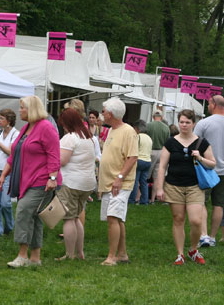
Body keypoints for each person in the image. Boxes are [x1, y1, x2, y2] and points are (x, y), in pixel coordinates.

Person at [0, 96, 60, 268]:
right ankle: (35, 258)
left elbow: (54, 155)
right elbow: (15, 153)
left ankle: (22, 255)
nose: (20, 110)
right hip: (27, 180)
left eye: (22, 107)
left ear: (32, 109)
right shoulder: (26, 128)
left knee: (23, 210)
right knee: (34, 216)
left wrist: (52, 178)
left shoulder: (46, 127)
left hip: (42, 181)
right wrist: (3, 175)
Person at [153, 109, 216, 265]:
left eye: (188, 122)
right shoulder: (170, 142)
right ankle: (180, 254)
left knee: (196, 220)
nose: (184, 125)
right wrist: (159, 188)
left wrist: (200, 157)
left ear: (193, 124)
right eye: (181, 122)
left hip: (195, 186)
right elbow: (162, 167)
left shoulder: (202, 142)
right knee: (178, 219)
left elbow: (213, 164)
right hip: (174, 185)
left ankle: (193, 249)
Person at [194, 95, 224, 248]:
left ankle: (204, 235)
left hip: (205, 168)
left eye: (208, 103)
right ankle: (213, 237)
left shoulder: (204, 123)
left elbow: (194, 144)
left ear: (214, 104)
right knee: (219, 204)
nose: (207, 106)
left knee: (202, 203)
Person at [98, 98, 138, 266]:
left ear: (111, 114)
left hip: (120, 183)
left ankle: (111, 256)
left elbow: (132, 156)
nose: (102, 114)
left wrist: (120, 178)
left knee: (113, 217)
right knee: (117, 219)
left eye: (104, 111)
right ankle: (122, 254)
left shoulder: (128, 131)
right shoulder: (112, 130)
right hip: (109, 182)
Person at [56, 108, 96, 260]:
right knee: (77, 218)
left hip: (71, 182)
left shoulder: (69, 138)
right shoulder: (88, 137)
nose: (63, 127)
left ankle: (69, 254)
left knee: (69, 218)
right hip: (87, 183)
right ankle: (80, 253)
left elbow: (62, 160)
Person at [0, 108, 18, 237]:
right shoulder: (0, 133)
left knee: (5, 203)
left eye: (2, 118)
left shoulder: (15, 134)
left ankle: (9, 226)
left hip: (8, 172)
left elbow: (10, 152)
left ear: (9, 121)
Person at [147, 110, 169, 203]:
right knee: (157, 177)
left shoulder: (148, 126)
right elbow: (168, 142)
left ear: (153, 116)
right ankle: (153, 199)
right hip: (161, 152)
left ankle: (140, 197)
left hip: (149, 151)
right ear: (162, 117)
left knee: (145, 175)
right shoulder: (166, 128)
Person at [132, 120, 153, 205]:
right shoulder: (149, 138)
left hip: (139, 160)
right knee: (144, 182)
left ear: (137, 128)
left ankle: (131, 199)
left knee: (135, 181)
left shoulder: (138, 137)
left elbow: (134, 149)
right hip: (148, 161)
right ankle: (145, 200)